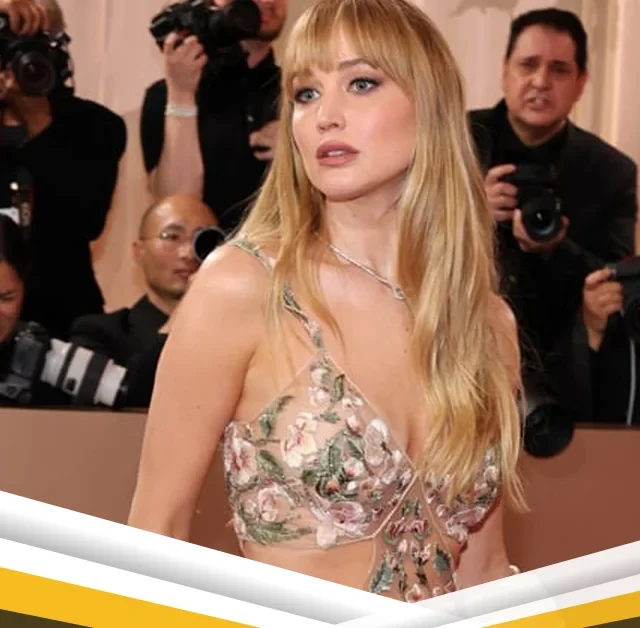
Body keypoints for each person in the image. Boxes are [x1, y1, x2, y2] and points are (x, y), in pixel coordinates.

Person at [129, 0, 524, 603]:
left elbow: (485, 570)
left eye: (360, 83)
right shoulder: (242, 287)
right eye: (306, 94)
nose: (325, 117)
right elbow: (156, 531)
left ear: (431, 105)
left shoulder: (487, 322)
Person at [468, 8, 637, 420]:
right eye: (528, 65)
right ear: (504, 72)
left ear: (581, 84)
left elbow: (616, 284)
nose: (541, 81)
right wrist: (471, 210)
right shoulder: (457, 143)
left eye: (559, 69)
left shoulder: (611, 172)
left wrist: (555, 248)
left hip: (562, 372)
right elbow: (398, 235)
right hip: (460, 352)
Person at [0, 0, 127, 340]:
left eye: (32, 43)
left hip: (64, 321)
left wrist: (38, 119)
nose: (17, 57)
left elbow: (85, 220)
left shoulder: (96, 125)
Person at [141, 0, 288, 234]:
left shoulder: (299, 93)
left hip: (280, 249)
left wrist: (300, 147)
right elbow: (178, 206)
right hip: (201, 252)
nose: (269, 1)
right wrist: (181, 94)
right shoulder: (164, 96)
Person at [69, 195, 217, 408]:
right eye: (172, 237)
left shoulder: (240, 333)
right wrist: (184, 312)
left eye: (202, 240)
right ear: (139, 252)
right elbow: (128, 399)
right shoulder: (99, 333)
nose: (188, 254)